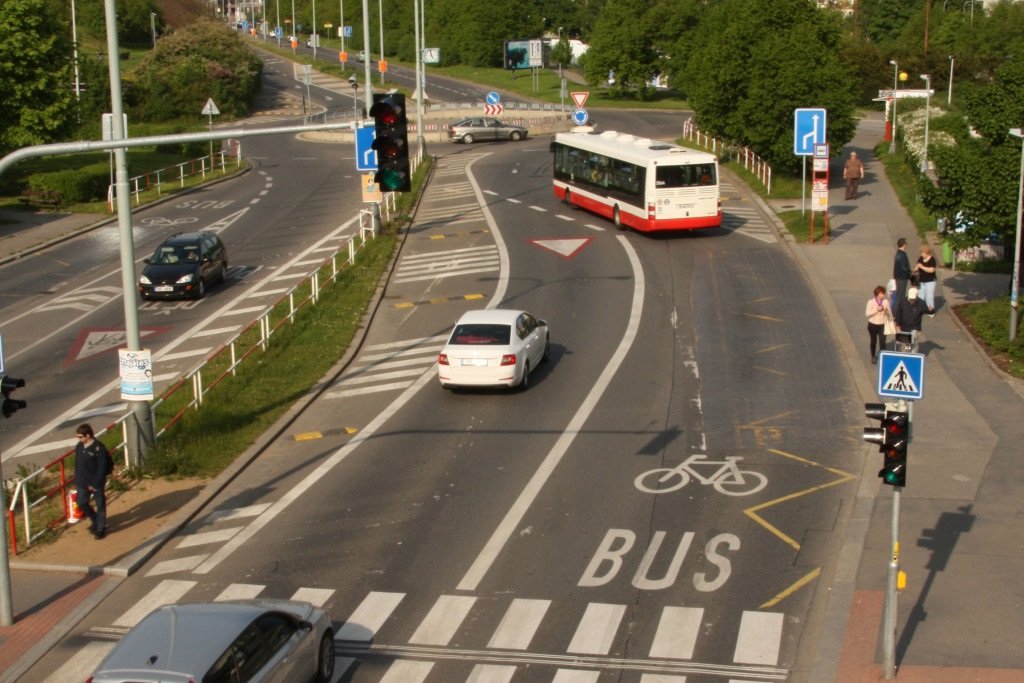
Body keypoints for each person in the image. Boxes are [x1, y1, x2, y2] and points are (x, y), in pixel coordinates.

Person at [73, 423, 113, 539]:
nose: (79, 439)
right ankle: (94, 518)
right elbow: (78, 464)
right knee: (81, 503)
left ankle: (101, 528)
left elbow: (102, 467)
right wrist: (77, 478)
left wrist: (95, 484)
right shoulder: (79, 446)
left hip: (96, 482)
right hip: (82, 481)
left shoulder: (99, 448)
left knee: (100, 504)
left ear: (88, 435)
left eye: (80, 437)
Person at [865, 285, 892, 364]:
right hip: (872, 324)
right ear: (877, 294)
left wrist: (886, 310)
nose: (882, 295)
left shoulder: (885, 302)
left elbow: (890, 315)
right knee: (873, 341)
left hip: (882, 324)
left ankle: (883, 357)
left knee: (882, 342)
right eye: (881, 294)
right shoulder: (870, 302)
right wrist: (876, 310)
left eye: (883, 294)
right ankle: (873, 356)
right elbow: (867, 314)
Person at [914, 244, 937, 316]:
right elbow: (917, 266)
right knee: (920, 296)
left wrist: (922, 267)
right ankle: (921, 310)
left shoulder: (932, 259)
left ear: (927, 252)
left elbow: (931, 270)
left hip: (930, 281)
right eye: (921, 253)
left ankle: (931, 311)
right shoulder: (921, 258)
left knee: (929, 297)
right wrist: (914, 270)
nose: (921, 254)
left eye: (923, 253)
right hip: (921, 281)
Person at [892, 237, 912, 308]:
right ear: (903, 245)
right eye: (905, 244)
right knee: (901, 295)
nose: (906, 245)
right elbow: (904, 267)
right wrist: (910, 273)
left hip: (898, 277)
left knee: (899, 294)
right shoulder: (902, 254)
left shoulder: (898, 253)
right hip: (902, 277)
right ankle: (897, 312)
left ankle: (897, 310)